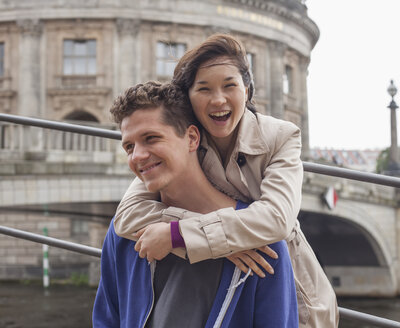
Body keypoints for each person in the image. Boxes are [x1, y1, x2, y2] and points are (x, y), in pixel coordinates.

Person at [113, 34, 339, 327]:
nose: (219, 99)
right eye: (204, 89)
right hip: (231, 276)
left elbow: (277, 219)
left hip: (287, 279)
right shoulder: (180, 140)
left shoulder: (281, 136)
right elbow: (128, 215)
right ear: (189, 99)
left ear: (246, 90)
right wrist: (224, 241)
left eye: (230, 86)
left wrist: (176, 235)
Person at [92, 81, 298, 327]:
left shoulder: (261, 242)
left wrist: (179, 235)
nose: (137, 156)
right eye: (129, 147)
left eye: (151, 138)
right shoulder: (123, 232)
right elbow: (106, 320)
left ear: (191, 138)